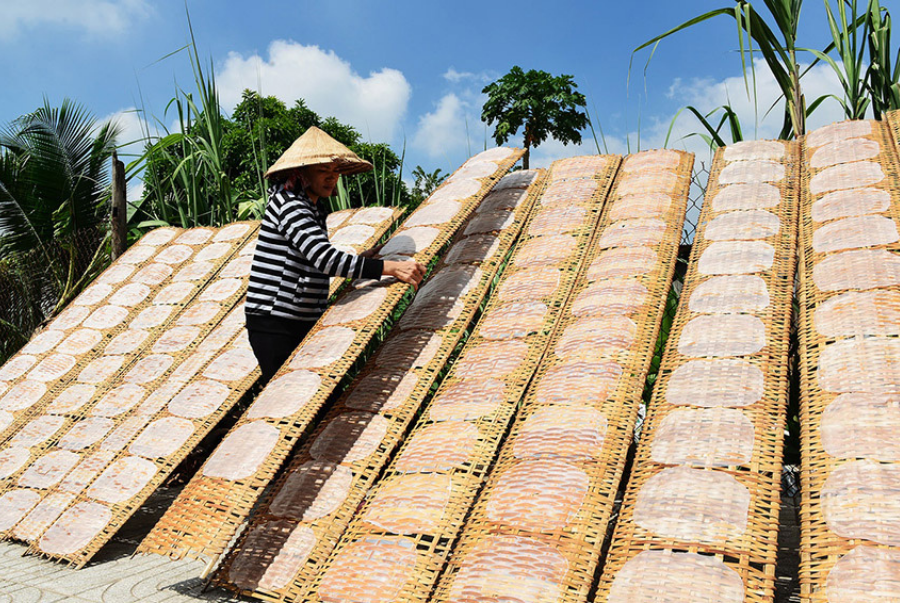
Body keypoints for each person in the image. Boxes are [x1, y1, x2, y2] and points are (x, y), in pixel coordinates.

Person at [245, 126, 426, 384]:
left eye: (335, 172)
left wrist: (363, 257)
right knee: (288, 395)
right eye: (322, 171)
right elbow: (325, 259)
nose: (332, 178)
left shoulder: (312, 206)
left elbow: (309, 259)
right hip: (276, 322)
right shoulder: (290, 204)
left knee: (307, 393)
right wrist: (391, 268)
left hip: (299, 318)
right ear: (302, 172)